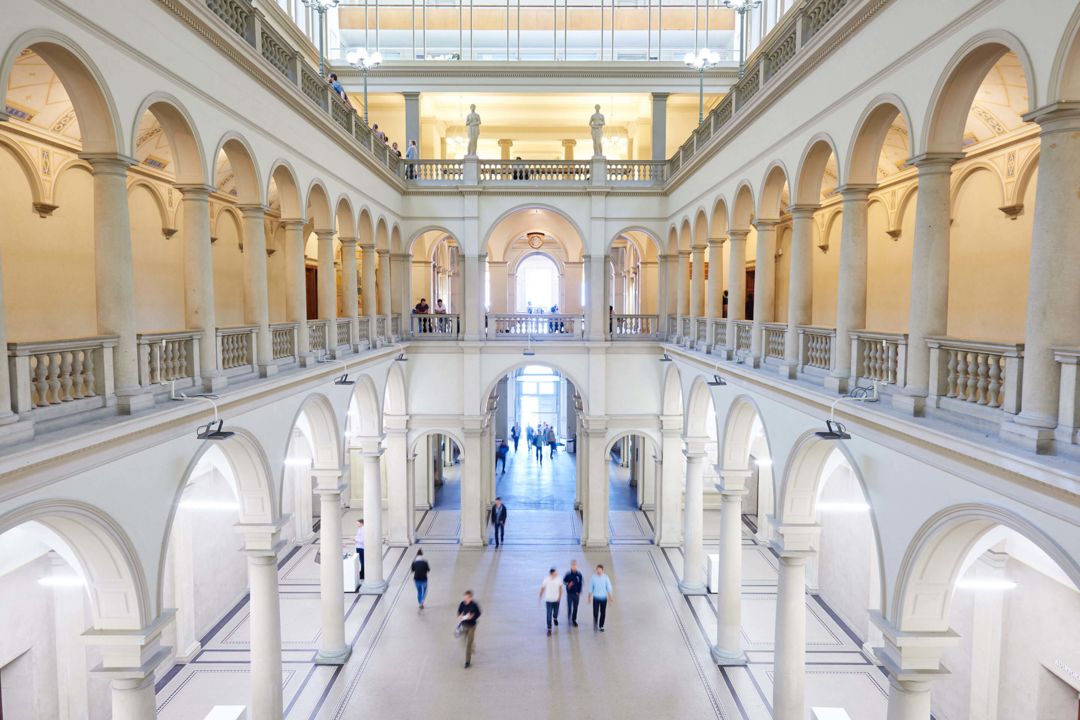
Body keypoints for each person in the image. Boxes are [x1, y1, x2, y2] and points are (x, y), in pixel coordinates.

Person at [457, 590, 481, 668]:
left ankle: (467, 661)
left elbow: (479, 613)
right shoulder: (462, 604)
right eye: (464, 597)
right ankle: (472, 644)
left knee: (468, 645)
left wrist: (472, 616)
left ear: (471, 598)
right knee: (464, 640)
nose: (465, 599)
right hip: (464, 625)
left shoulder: (474, 605)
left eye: (467, 598)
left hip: (472, 626)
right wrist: (460, 615)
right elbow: (459, 612)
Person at [588, 564, 613, 631]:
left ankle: (601, 625)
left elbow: (609, 588)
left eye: (600, 570)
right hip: (595, 598)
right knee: (595, 613)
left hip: (603, 599)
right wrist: (589, 597)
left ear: (603, 570)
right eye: (597, 570)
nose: (598, 571)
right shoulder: (593, 578)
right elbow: (590, 588)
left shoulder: (606, 577)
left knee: (603, 613)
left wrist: (610, 598)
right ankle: (595, 623)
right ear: (596, 570)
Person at [538, 567, 563, 635]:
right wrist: (540, 596)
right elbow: (542, 588)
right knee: (548, 614)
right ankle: (549, 628)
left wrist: (560, 597)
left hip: (556, 600)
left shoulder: (559, 579)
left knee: (556, 612)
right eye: (555, 572)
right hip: (548, 600)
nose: (557, 573)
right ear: (552, 573)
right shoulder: (546, 579)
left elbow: (561, 588)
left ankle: (555, 618)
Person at [563, 560, 584, 627]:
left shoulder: (579, 574)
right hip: (569, 594)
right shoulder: (568, 574)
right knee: (569, 607)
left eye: (575, 565)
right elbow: (564, 582)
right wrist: (568, 584)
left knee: (575, 608)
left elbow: (581, 583)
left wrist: (579, 592)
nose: (574, 566)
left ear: (576, 566)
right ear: (571, 566)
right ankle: (569, 616)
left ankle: (574, 620)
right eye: (573, 565)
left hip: (576, 594)